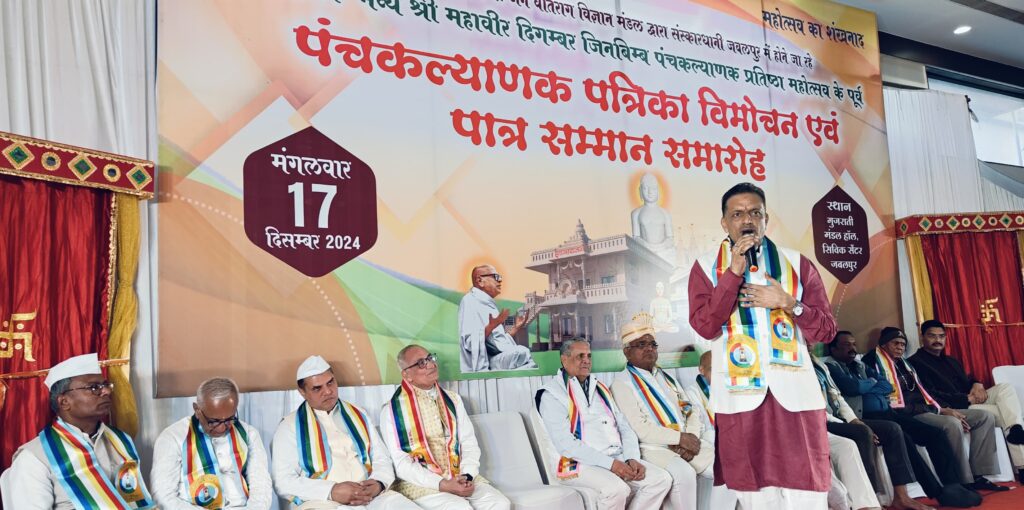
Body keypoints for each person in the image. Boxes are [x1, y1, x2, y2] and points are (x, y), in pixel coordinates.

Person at [687, 182, 835, 509]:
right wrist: (733, 273)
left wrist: (790, 303)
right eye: (737, 214)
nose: (747, 220)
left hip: (796, 397)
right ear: (724, 223)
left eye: (755, 212)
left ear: (766, 219)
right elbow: (705, 326)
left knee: (808, 494)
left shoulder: (797, 264)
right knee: (757, 497)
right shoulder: (705, 267)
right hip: (739, 399)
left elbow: (826, 331)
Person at [612, 313, 733, 510]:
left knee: (731, 467)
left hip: (686, 443)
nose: (649, 348)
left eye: (652, 344)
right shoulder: (621, 383)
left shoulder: (667, 378)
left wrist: (690, 439)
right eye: (641, 344)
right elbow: (640, 429)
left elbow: (691, 411)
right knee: (684, 474)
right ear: (627, 351)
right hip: (653, 448)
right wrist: (680, 439)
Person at [5, 353, 155, 509]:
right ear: (64, 402)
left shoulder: (120, 441)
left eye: (105, 385)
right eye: (94, 387)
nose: (106, 391)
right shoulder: (34, 457)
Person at [538, 338, 672, 509]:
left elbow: (624, 427)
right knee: (617, 489)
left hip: (615, 456)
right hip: (576, 463)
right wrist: (611, 465)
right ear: (564, 360)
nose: (586, 360)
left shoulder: (600, 388)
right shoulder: (551, 394)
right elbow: (566, 445)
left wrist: (631, 457)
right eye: (580, 356)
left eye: (589, 356)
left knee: (660, 480)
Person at [855, 329, 982, 507]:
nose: (900, 348)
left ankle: (952, 485)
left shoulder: (904, 363)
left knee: (936, 434)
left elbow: (917, 390)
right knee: (905, 438)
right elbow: (883, 388)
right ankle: (937, 492)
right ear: (883, 344)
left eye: (903, 344)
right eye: (896, 343)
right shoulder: (871, 361)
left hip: (907, 411)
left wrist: (937, 408)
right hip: (887, 413)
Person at [272, 355, 417, 509]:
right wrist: (331, 491)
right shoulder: (289, 426)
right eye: (317, 388)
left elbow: (381, 457)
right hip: (322, 502)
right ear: (302, 392)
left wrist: (378, 483)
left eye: (330, 382)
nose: (328, 391)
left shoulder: (359, 414)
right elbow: (283, 481)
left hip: (371, 497)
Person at [380, 345, 512, 510]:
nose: (430, 364)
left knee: (500, 503)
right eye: (421, 363)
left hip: (460, 475)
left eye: (430, 358)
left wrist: (467, 475)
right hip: (421, 484)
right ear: (407, 375)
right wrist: (442, 484)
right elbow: (400, 463)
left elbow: (468, 442)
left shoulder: (453, 400)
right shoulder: (392, 411)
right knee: (459, 508)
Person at [909, 319, 1024, 478]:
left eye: (941, 336)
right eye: (932, 336)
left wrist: (977, 383)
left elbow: (968, 378)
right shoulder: (915, 363)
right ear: (922, 337)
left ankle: (1017, 431)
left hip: (972, 399)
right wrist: (966, 399)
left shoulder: (951, 360)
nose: (937, 340)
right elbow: (929, 394)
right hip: (956, 406)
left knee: (1004, 388)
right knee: (1008, 415)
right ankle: (1022, 463)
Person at [151, 377, 272, 509]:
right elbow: (163, 496)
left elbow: (261, 485)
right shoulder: (172, 437)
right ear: (197, 410)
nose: (222, 428)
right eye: (214, 422)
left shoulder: (249, 434)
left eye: (230, 419)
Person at [458, 264, 537, 372]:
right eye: (495, 277)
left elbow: (497, 342)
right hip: (485, 362)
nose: (500, 280)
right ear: (480, 280)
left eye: (499, 277)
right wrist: (491, 326)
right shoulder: (469, 301)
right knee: (521, 353)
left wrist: (516, 327)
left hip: (498, 358)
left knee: (528, 361)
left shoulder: (489, 303)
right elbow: (469, 343)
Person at [631, 172, 677, 265]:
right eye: (645, 188)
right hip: (646, 253)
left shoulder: (665, 213)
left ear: (658, 190)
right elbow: (636, 238)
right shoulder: (636, 213)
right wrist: (648, 247)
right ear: (640, 191)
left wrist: (660, 247)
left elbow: (670, 239)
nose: (650, 192)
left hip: (664, 252)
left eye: (653, 188)